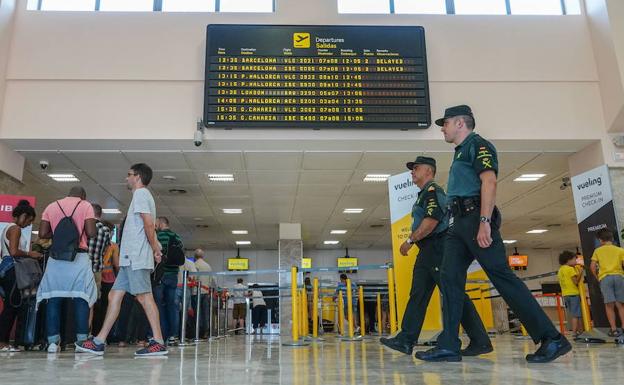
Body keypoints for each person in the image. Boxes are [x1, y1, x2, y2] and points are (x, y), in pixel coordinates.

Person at [415, 105, 570, 363]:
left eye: (446, 123)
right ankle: (449, 345)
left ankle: (552, 339)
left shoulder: (479, 145)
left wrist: (484, 221)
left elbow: (489, 181)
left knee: (502, 278)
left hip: (475, 218)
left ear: (461, 123)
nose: (442, 128)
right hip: (458, 225)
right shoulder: (460, 152)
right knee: (450, 279)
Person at [381, 156, 491, 355]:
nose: (412, 172)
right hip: (428, 250)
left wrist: (409, 241)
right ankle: (406, 339)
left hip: (437, 247)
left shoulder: (433, 192)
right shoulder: (423, 194)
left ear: (429, 171)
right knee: (418, 294)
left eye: (416, 168)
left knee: (453, 294)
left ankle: (480, 340)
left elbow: (431, 221)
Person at [75, 163, 167, 356]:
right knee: (113, 296)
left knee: (144, 296)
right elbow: (148, 227)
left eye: (129, 174)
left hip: (136, 257)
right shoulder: (140, 196)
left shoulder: (141, 194)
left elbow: (149, 224)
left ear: (138, 177)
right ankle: (99, 341)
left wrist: (152, 248)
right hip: (128, 259)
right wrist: (156, 247)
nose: (126, 178)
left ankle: (158, 341)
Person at [36, 187, 97, 353]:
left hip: (56, 259)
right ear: (83, 196)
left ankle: (53, 342)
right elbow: (91, 232)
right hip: (78, 258)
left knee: (53, 298)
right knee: (81, 299)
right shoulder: (85, 205)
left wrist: (58, 234)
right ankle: (81, 341)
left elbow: (42, 233)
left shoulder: (51, 206)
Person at [0, 200, 42, 352]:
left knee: (11, 305)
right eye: (29, 221)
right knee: (12, 306)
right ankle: (2, 341)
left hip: (6, 268)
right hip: (13, 269)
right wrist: (30, 254)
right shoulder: (15, 229)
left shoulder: (6, 228)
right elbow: (13, 252)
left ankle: (5, 340)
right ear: (24, 216)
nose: (28, 225)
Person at [590, 228, 624, 337]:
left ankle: (614, 330)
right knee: (621, 304)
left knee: (609, 305)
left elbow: (592, 267)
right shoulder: (620, 250)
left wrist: (598, 277)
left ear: (600, 240)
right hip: (619, 277)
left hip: (605, 278)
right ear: (612, 238)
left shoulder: (598, 251)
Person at [154, 216, 183, 344]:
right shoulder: (177, 237)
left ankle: (162, 334)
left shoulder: (159, 236)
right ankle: (173, 335)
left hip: (161, 274)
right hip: (173, 275)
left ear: (161, 223)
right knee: (172, 306)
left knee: (159, 305)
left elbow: (156, 252)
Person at [88, 203, 111, 332]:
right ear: (100, 214)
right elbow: (106, 248)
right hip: (97, 269)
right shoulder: (106, 230)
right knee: (92, 301)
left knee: (80, 300)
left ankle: (77, 331)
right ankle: (88, 331)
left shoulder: (85, 226)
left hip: (82, 268)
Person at [558, 250, 584, 337]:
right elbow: (576, 281)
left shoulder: (560, 270)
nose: (575, 261)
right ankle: (574, 332)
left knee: (575, 313)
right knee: (576, 314)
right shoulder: (570, 269)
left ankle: (580, 331)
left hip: (565, 294)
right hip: (573, 294)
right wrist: (580, 272)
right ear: (568, 260)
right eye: (574, 259)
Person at [193, 249, 212, 338]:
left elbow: (193, 278)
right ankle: (206, 331)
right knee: (205, 313)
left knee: (198, 313)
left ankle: (198, 332)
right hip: (206, 292)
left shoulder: (194, 265)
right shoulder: (208, 266)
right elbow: (211, 280)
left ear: (195, 256)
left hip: (196, 292)